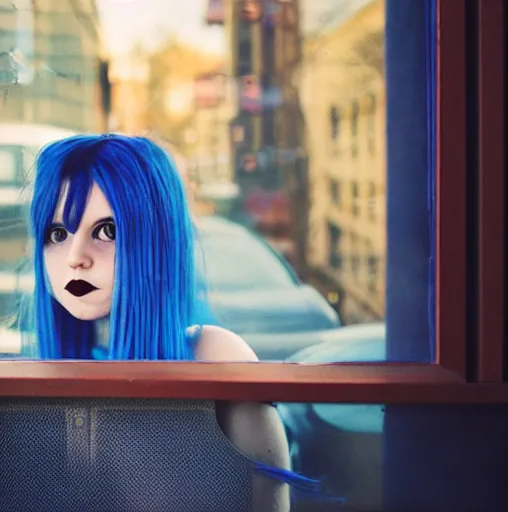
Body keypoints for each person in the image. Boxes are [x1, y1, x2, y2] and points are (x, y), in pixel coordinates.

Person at [21, 133, 328, 510]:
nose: (75, 257)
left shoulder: (216, 358)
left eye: (107, 231)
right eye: (57, 233)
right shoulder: (35, 371)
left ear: (155, 240)